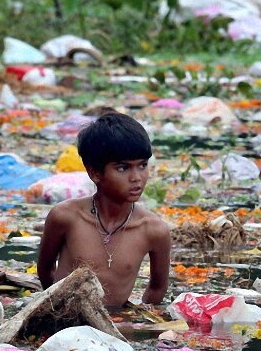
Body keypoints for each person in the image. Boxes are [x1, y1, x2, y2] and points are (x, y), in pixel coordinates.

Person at [37, 111, 171, 308]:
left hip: (114, 328)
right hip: (65, 322)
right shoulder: (66, 217)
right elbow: (45, 270)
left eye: (142, 165)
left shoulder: (154, 230)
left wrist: (129, 323)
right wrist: (58, 309)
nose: (136, 178)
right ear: (95, 172)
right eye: (123, 168)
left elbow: (157, 288)